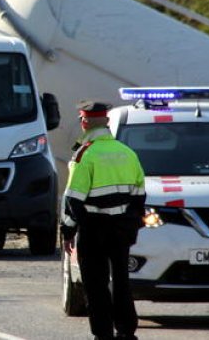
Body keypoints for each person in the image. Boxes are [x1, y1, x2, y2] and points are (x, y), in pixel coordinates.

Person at [62, 101, 146, 340]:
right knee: (121, 280)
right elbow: (140, 197)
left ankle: (103, 334)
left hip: (94, 229)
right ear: (107, 122)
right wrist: (130, 224)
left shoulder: (85, 154)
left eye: (81, 119)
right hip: (122, 228)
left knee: (96, 285)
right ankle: (127, 332)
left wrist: (68, 230)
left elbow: (73, 199)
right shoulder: (128, 153)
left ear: (85, 122)